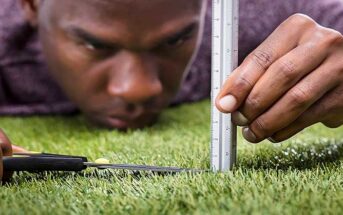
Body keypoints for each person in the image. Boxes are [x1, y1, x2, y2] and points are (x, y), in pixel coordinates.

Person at [0, 0, 342, 155]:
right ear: (30, 5)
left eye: (174, 40)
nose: (139, 89)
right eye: (94, 44)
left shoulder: (232, 17)